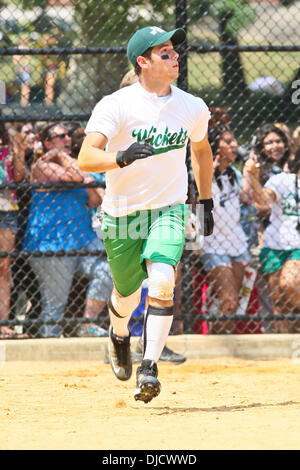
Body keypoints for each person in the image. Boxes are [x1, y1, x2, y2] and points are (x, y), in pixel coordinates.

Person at [78, 25, 213, 403]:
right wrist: (119, 157)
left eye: (175, 51)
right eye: (165, 53)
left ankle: (149, 366)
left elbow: (201, 152)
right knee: (127, 296)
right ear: (143, 61)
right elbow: (86, 157)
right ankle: (119, 333)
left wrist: (205, 201)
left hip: (168, 208)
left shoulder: (192, 106)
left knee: (163, 280)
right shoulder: (116, 104)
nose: (175, 58)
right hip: (123, 214)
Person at [22, 122, 113, 338]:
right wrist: (65, 161)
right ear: (47, 143)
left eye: (68, 136)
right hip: (51, 245)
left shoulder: (75, 163)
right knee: (55, 304)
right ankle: (49, 344)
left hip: (81, 241)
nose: (67, 140)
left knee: (109, 270)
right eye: (60, 137)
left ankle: (87, 323)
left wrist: (86, 181)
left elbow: (95, 200)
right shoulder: (41, 167)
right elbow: (73, 177)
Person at [200, 124, 250, 333]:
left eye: (234, 141)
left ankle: (224, 343)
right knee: (228, 300)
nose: (234, 145)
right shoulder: (202, 174)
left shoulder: (234, 174)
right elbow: (197, 205)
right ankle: (215, 340)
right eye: (227, 142)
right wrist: (212, 168)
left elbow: (248, 198)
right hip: (214, 245)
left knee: (234, 302)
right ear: (215, 146)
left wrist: (249, 172)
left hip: (237, 243)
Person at [244, 147, 300, 333]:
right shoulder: (283, 180)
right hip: (274, 245)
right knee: (280, 302)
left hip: (297, 247)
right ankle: (288, 351)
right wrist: (253, 179)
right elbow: (264, 201)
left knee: (289, 285)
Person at [0, 119, 28, 338]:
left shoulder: (7, 147)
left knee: (4, 266)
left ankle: (3, 322)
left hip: (7, 207)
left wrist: (19, 149)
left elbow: (18, 177)